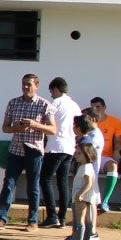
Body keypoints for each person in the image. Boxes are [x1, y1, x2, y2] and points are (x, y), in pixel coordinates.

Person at [0, 74, 57, 231]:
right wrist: (16, 128)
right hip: (16, 149)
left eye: (29, 84)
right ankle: (1, 219)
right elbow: (5, 127)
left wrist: (35, 125)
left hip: (34, 150)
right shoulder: (13, 103)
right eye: (24, 84)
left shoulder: (44, 105)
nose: (26, 87)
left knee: (33, 186)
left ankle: (33, 221)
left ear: (37, 86)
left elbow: (53, 129)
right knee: (9, 183)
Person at [41, 77, 82, 228]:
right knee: (62, 182)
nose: (51, 94)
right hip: (69, 147)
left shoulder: (56, 103)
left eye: (51, 91)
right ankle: (63, 218)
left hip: (55, 146)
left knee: (44, 179)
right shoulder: (75, 105)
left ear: (56, 89)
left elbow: (47, 121)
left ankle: (52, 215)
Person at [89, 97, 121, 212]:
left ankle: (105, 201)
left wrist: (117, 151)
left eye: (98, 107)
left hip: (105, 157)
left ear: (104, 107)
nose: (96, 109)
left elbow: (118, 141)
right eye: (93, 107)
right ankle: (87, 200)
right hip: (90, 156)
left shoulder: (115, 121)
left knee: (113, 166)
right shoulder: (88, 121)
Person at [72, 141, 100, 240]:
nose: (76, 155)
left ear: (87, 155)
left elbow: (89, 183)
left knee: (80, 219)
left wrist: (80, 194)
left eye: (79, 153)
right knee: (88, 220)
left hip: (82, 197)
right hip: (88, 197)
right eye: (76, 153)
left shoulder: (86, 167)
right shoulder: (87, 166)